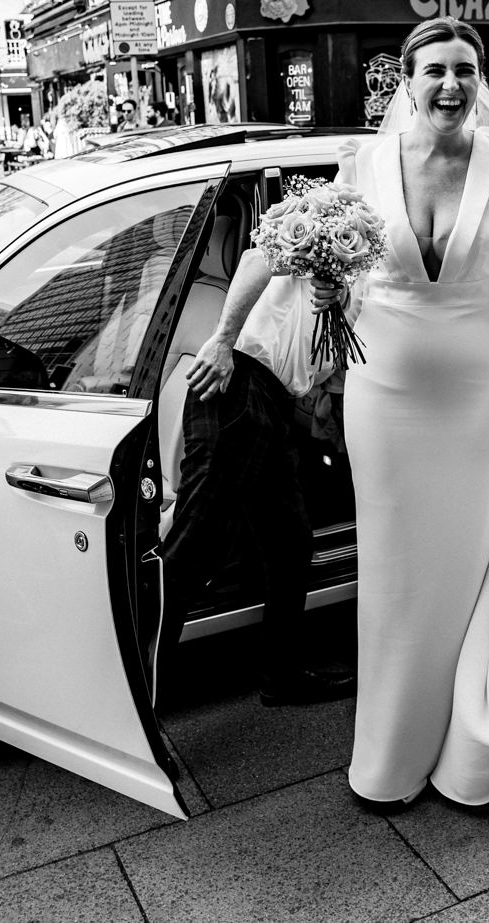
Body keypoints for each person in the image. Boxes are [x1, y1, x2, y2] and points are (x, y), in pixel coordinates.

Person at [329, 17, 489, 810]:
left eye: (466, 70)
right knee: (395, 569)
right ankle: (389, 757)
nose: (452, 84)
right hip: (385, 396)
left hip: (478, 396)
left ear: (481, 81)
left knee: (473, 563)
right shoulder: (363, 165)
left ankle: (463, 746)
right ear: (406, 81)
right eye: (436, 69)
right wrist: (318, 289)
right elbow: (332, 269)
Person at [156, 206, 357, 708]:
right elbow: (255, 258)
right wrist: (222, 341)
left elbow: (322, 372)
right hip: (238, 383)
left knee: (291, 544)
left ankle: (280, 678)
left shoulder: (358, 282)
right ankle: (136, 688)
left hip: (273, 404)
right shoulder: (323, 225)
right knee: (194, 549)